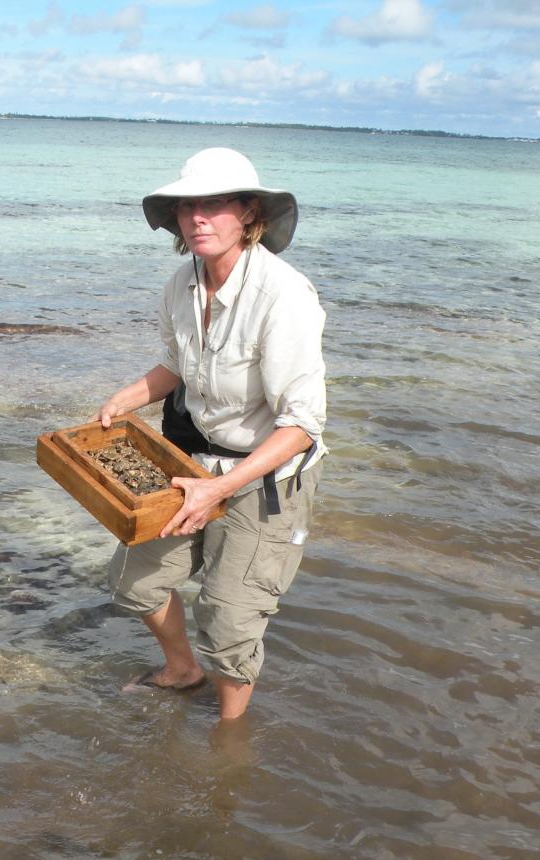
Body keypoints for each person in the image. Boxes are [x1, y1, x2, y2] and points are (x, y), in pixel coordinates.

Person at [94, 147, 327, 722]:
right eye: (187, 205)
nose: (198, 217)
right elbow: (178, 364)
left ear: (249, 213)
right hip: (193, 462)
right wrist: (127, 397)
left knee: (228, 617)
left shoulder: (284, 295)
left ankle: (229, 738)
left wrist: (218, 492)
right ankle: (181, 670)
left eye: (216, 203)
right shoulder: (181, 284)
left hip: (266, 474)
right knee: (135, 581)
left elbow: (301, 425)